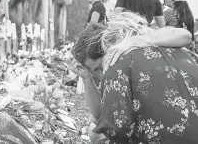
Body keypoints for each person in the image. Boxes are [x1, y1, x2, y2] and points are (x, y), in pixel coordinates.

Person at [70, 12, 198, 143]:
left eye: (97, 68)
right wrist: (87, 79)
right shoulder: (174, 48)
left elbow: (116, 129)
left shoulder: (118, 63)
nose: (99, 75)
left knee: (97, 134)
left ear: (109, 49)